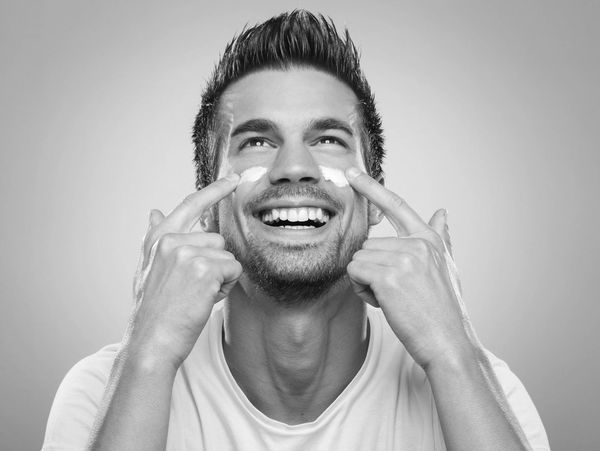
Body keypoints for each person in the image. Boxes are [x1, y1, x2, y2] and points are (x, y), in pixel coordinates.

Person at [42, 10, 550, 451]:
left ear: (373, 201)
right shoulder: (104, 389)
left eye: (327, 138)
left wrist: (454, 352)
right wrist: (148, 354)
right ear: (206, 206)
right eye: (257, 142)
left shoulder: (482, 390)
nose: (294, 166)